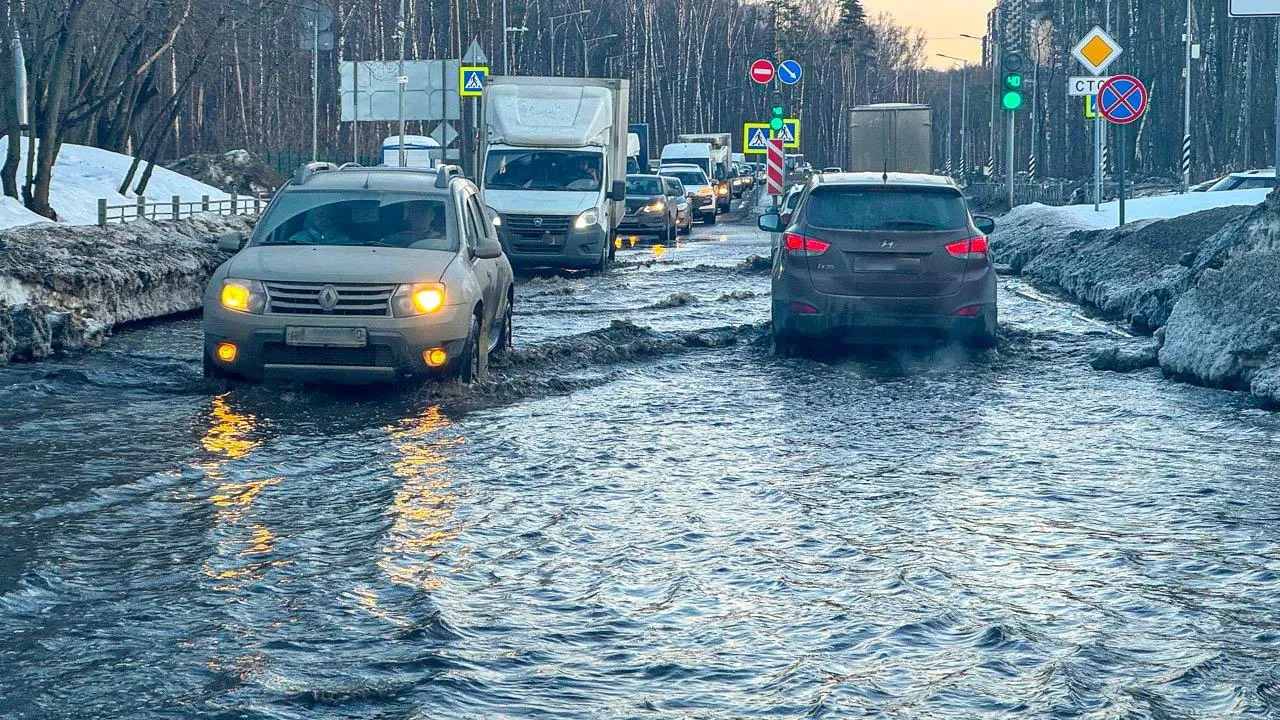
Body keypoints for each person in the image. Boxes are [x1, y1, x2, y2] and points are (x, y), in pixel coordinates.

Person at [383, 202, 447, 248]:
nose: (419, 215)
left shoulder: (442, 241)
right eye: (415, 212)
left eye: (423, 211)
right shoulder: (391, 240)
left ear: (432, 215)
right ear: (408, 216)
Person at [287, 204, 353, 245]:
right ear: (310, 218)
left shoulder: (344, 240)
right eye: (320, 216)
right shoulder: (296, 240)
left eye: (329, 217)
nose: (325, 220)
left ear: (334, 219)